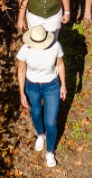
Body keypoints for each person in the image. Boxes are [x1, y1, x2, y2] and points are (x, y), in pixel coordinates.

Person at [17, 23, 66, 168]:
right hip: (32, 85)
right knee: (36, 112)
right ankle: (40, 135)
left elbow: (60, 65)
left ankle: (50, 151)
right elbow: (21, 71)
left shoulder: (55, 46)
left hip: (51, 85)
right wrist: (22, 93)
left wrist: (63, 84)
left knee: (51, 121)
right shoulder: (24, 50)